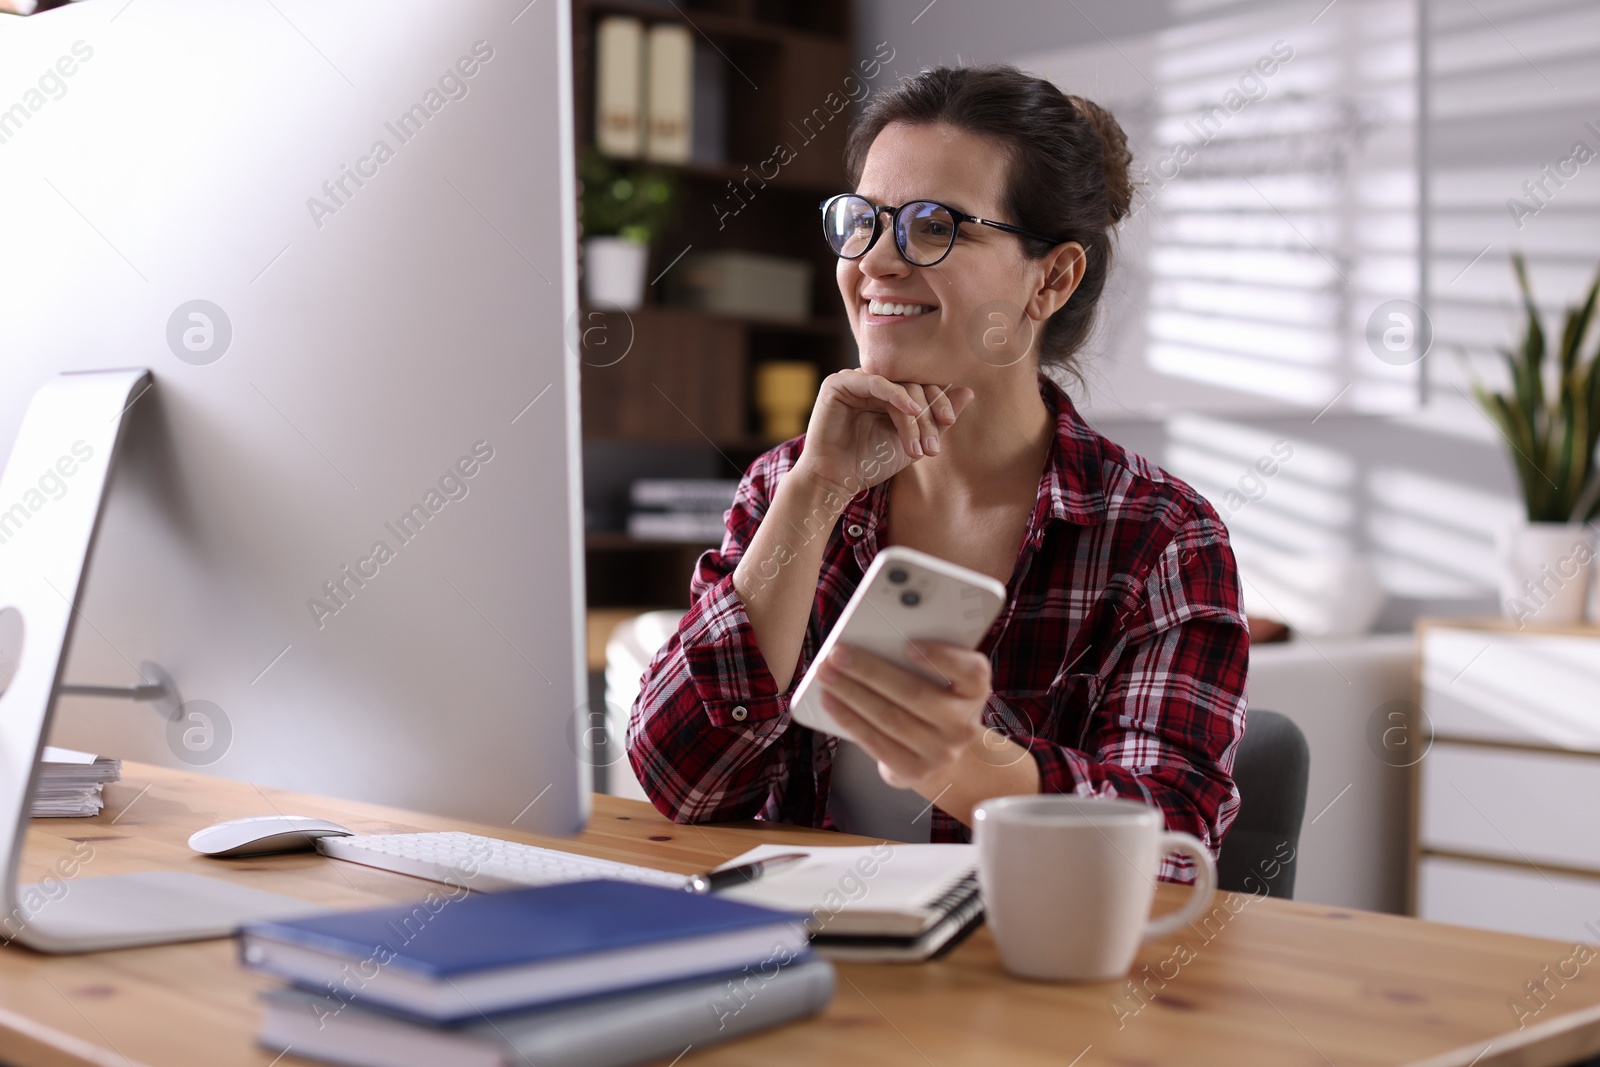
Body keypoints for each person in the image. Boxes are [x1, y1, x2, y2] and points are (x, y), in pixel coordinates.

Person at [627, 64, 1248, 881]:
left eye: (932, 226)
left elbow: (1174, 852)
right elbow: (684, 781)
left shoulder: (1160, 536)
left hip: (1027, 985)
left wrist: (964, 760)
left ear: (1052, 278)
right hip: (792, 971)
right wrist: (814, 493)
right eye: (863, 222)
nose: (876, 262)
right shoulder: (789, 486)